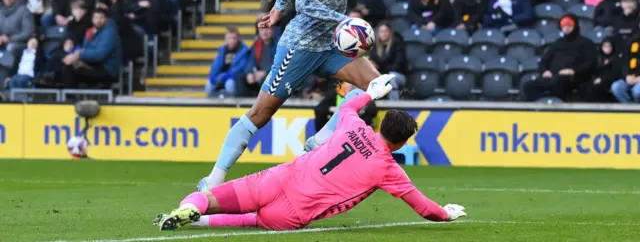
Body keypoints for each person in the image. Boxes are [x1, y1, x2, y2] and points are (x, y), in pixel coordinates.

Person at [196, 0, 385, 191]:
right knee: (260, 114)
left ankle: (322, 138)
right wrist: (345, 20)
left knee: (375, 83)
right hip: (299, 47)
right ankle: (214, 179)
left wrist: (277, 8)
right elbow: (306, 3)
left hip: (329, 45)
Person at [154, 80, 467, 231]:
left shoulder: (351, 124)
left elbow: (348, 105)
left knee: (207, 196)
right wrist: (446, 212)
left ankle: (189, 212)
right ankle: (199, 222)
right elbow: (424, 208)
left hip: (278, 179)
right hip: (293, 212)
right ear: (400, 144)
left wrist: (372, 93)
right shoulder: (389, 170)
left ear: (380, 123)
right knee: (253, 220)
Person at [523, 14, 595, 101]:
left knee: (558, 83)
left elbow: (590, 63)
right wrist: (545, 71)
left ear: (575, 25)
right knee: (528, 86)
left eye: (569, 25)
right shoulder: (557, 43)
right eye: (564, 25)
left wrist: (573, 71)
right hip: (552, 77)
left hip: (573, 78)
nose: (566, 27)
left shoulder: (586, 43)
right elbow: (544, 61)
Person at [60, 7, 121, 88]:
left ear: (106, 19)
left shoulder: (110, 33)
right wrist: (79, 58)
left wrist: (79, 55)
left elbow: (99, 55)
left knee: (69, 69)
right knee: (66, 63)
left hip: (107, 70)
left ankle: (69, 98)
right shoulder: (91, 31)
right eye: (96, 17)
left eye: (101, 17)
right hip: (94, 65)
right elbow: (87, 50)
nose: (98, 20)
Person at [205, 26, 250, 97]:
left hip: (233, 78)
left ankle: (231, 106)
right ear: (225, 39)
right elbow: (215, 65)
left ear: (238, 38)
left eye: (234, 38)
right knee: (209, 86)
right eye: (229, 38)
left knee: (229, 84)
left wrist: (228, 75)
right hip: (220, 77)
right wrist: (213, 75)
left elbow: (241, 68)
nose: (232, 40)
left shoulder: (244, 51)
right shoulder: (222, 50)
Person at [368, 21, 407, 100]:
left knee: (390, 77)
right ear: (378, 33)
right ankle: (368, 104)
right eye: (381, 31)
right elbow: (372, 62)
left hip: (398, 75)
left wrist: (382, 71)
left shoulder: (397, 43)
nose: (384, 33)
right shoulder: (375, 46)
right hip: (380, 74)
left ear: (390, 32)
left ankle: (394, 105)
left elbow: (398, 65)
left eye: (386, 31)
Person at [239, 25, 277, 97]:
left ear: (272, 30)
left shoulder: (278, 44)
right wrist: (249, 72)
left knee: (267, 79)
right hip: (258, 74)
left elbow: (279, 63)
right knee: (239, 78)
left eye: (267, 29)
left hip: (271, 75)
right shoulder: (256, 45)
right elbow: (251, 60)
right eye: (262, 29)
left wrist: (265, 71)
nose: (264, 32)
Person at [580, 37, 618, 102]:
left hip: (609, 80)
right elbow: (593, 70)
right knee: (584, 87)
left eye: (609, 46)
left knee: (596, 88)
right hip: (596, 78)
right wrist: (594, 79)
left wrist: (602, 79)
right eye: (605, 46)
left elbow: (615, 73)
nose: (607, 49)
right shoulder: (598, 57)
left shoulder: (616, 58)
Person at [611, 32, 640, 103]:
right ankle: (630, 108)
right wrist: (627, 75)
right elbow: (625, 61)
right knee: (616, 87)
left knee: (637, 92)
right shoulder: (632, 43)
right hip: (630, 77)